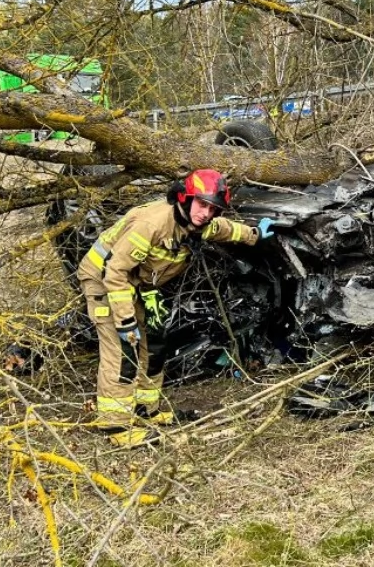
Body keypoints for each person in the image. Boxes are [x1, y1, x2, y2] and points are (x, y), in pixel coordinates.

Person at [78, 168, 274, 448]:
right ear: (185, 198)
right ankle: (116, 426)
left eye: (212, 208)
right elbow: (115, 272)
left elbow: (224, 230)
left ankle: (146, 409)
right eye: (202, 204)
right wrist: (125, 320)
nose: (206, 213)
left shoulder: (198, 223)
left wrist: (254, 234)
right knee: (123, 351)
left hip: (138, 284)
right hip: (104, 280)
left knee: (155, 343)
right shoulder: (152, 224)